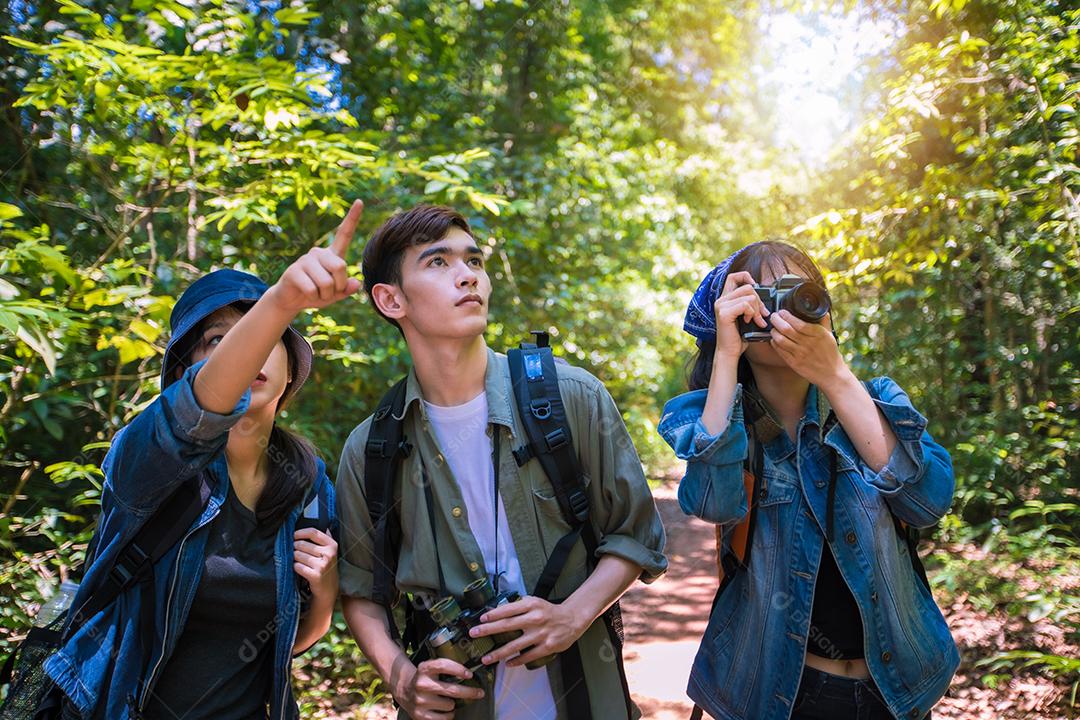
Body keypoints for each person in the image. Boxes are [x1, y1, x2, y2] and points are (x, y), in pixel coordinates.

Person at [335, 204, 667, 720]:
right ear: (390, 298)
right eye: (438, 262)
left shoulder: (569, 397)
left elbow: (637, 534)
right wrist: (401, 678)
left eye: (474, 261)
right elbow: (361, 589)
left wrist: (571, 618)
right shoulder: (372, 448)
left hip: (584, 697)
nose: (468, 275)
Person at [43, 201, 368, 719]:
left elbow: (293, 641)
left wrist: (325, 595)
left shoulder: (308, 485)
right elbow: (198, 412)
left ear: (291, 370)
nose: (252, 354)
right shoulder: (148, 459)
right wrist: (281, 302)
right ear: (184, 376)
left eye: (266, 340)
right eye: (217, 340)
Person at [657, 240, 960, 720]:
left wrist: (837, 377)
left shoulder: (873, 403)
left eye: (795, 293)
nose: (781, 313)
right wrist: (725, 357)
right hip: (784, 696)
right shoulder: (719, 421)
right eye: (760, 299)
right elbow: (712, 501)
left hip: (898, 690)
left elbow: (926, 504)